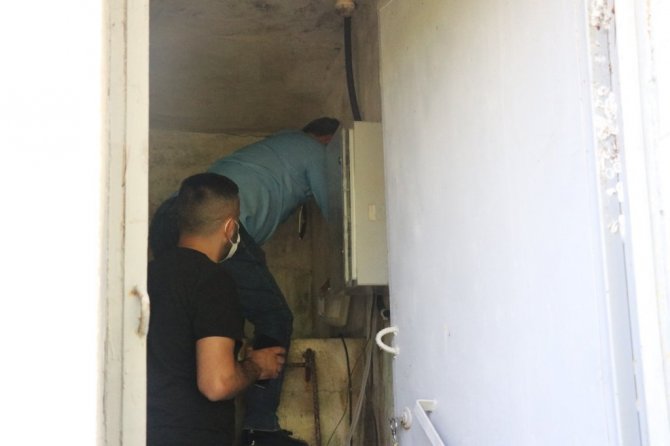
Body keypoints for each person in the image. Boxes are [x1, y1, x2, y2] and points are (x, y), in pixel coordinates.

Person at [149, 117, 340, 446]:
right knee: (274, 315)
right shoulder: (314, 151)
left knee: (179, 309)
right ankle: (261, 429)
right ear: (327, 140)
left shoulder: (279, 146)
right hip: (211, 218)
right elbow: (339, 214)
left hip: (179, 211)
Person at [147, 173, 287, 446]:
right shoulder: (213, 281)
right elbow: (217, 384)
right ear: (230, 227)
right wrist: (256, 366)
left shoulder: (145, 276)